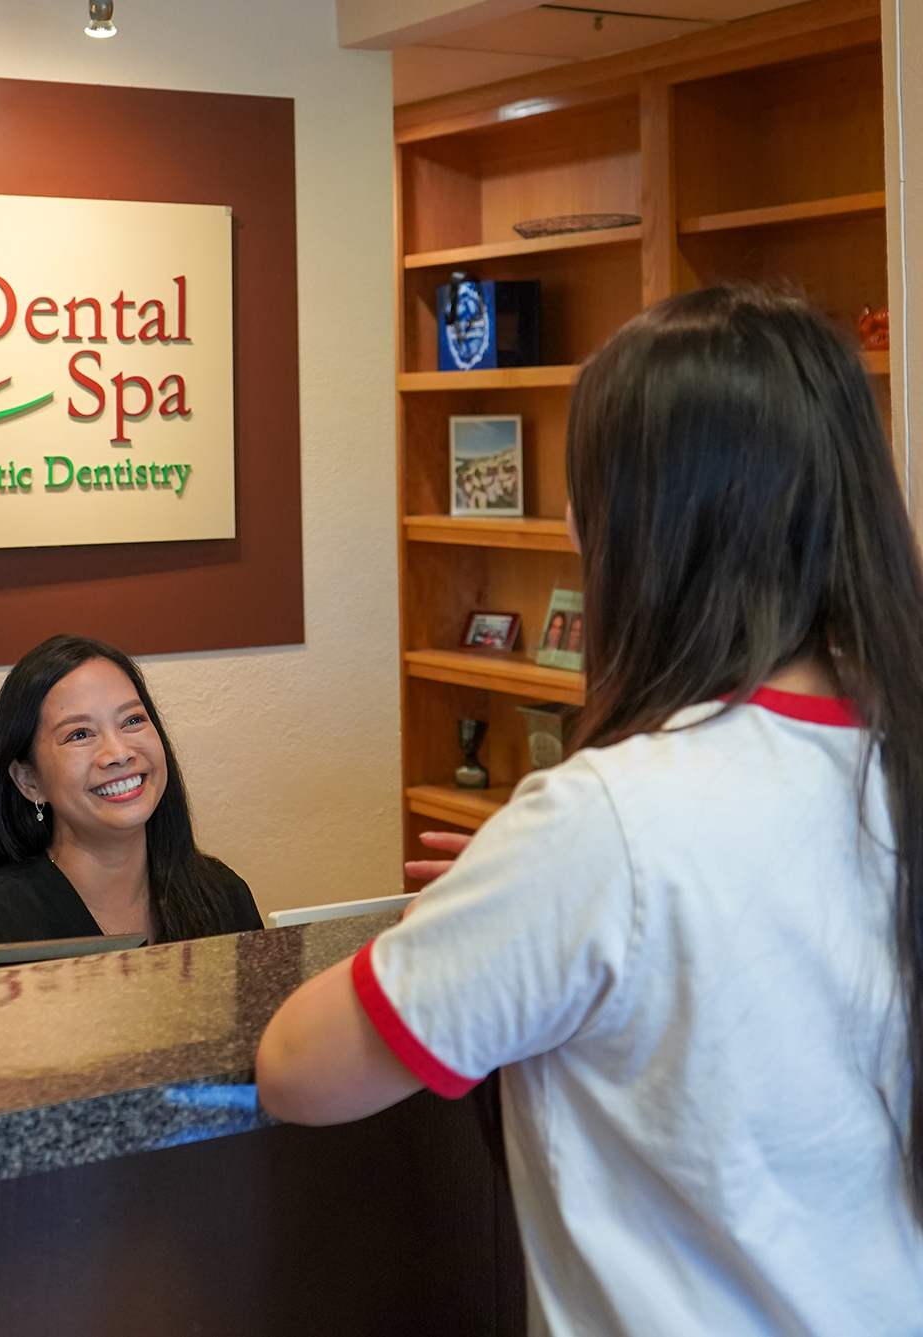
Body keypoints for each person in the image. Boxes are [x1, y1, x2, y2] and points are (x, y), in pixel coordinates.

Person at [256, 287, 923, 1334]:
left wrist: (535, 878)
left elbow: (299, 1069)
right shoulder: (883, 759)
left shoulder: (608, 823)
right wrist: (539, 880)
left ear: (645, 521)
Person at [0, 634, 261, 948]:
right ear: (28, 780)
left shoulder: (224, 896)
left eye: (132, 720)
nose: (119, 752)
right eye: (79, 734)